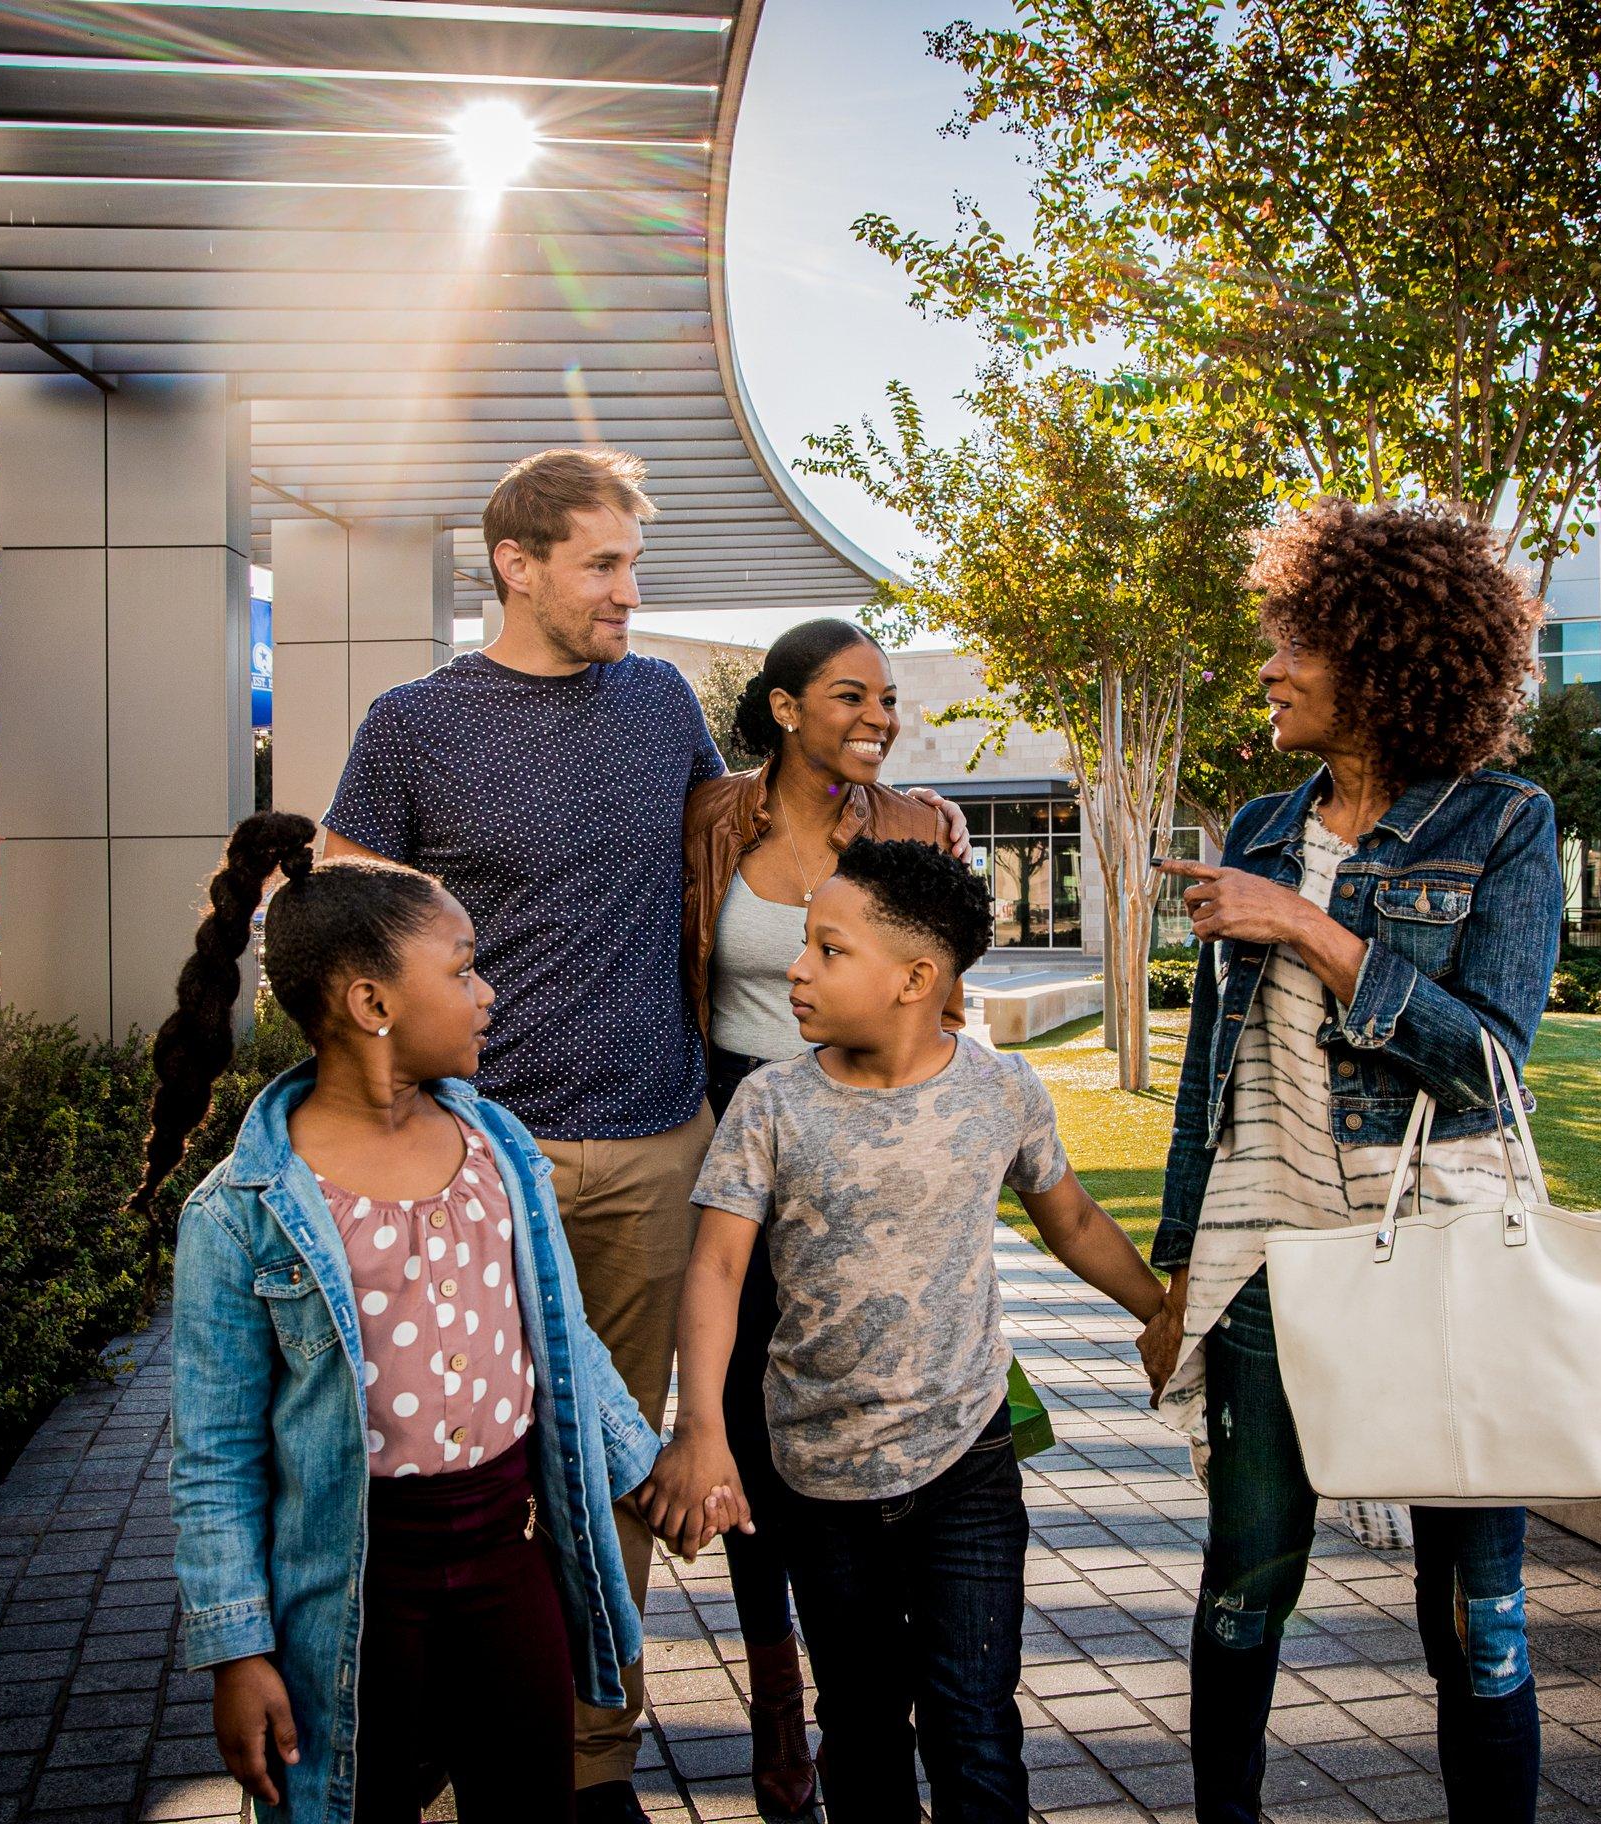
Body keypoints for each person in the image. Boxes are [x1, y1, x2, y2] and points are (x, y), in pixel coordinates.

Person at [315, 449, 966, 1818]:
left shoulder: (659, 699)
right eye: (605, 566)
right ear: (519, 563)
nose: (628, 592)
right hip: (481, 1159)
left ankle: (588, 1759)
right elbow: (336, 898)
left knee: (610, 1471)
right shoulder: (413, 723)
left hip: (661, 1151)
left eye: (633, 566)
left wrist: (906, 820)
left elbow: (755, 823)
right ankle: (437, 1757)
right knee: (460, 1466)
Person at [1141, 501, 1563, 1824]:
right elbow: (1209, 1082)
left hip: (1439, 1254)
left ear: (1384, 661)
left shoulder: (1503, 825)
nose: (1265, 668)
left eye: (1293, 644)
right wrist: (1170, 1274)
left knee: (1474, 1612)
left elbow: (1487, 1061)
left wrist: (1313, 933)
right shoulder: (1264, 827)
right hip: (1268, 1257)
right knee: (1245, 1581)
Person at [141, 811, 673, 1824]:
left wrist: (647, 1466)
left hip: (510, 1566)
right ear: (372, 1001)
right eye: (465, 970)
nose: (488, 994)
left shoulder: (499, 1149)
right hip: (353, 1595)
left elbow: (558, 1340)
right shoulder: (244, 1212)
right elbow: (211, 1459)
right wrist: (235, 1650)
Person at [643, 838, 1171, 1824]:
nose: (797, 968)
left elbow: (1077, 1222)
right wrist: (701, 1427)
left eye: (829, 950)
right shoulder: (770, 1104)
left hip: (966, 1460)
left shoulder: (1000, 1092)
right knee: (864, 1721)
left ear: (915, 979)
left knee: (975, 1726)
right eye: (803, 944)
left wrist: (1163, 1313)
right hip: (821, 1478)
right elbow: (715, 1265)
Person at [678, 618, 964, 1819]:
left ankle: (871, 1691)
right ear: (785, 708)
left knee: (858, 1402)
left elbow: (942, 997)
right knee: (744, 1416)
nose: (879, 719)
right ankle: (775, 1689)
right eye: (852, 697)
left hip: (861, 1134)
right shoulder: (707, 822)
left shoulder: (917, 828)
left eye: (888, 699)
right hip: (736, 1120)